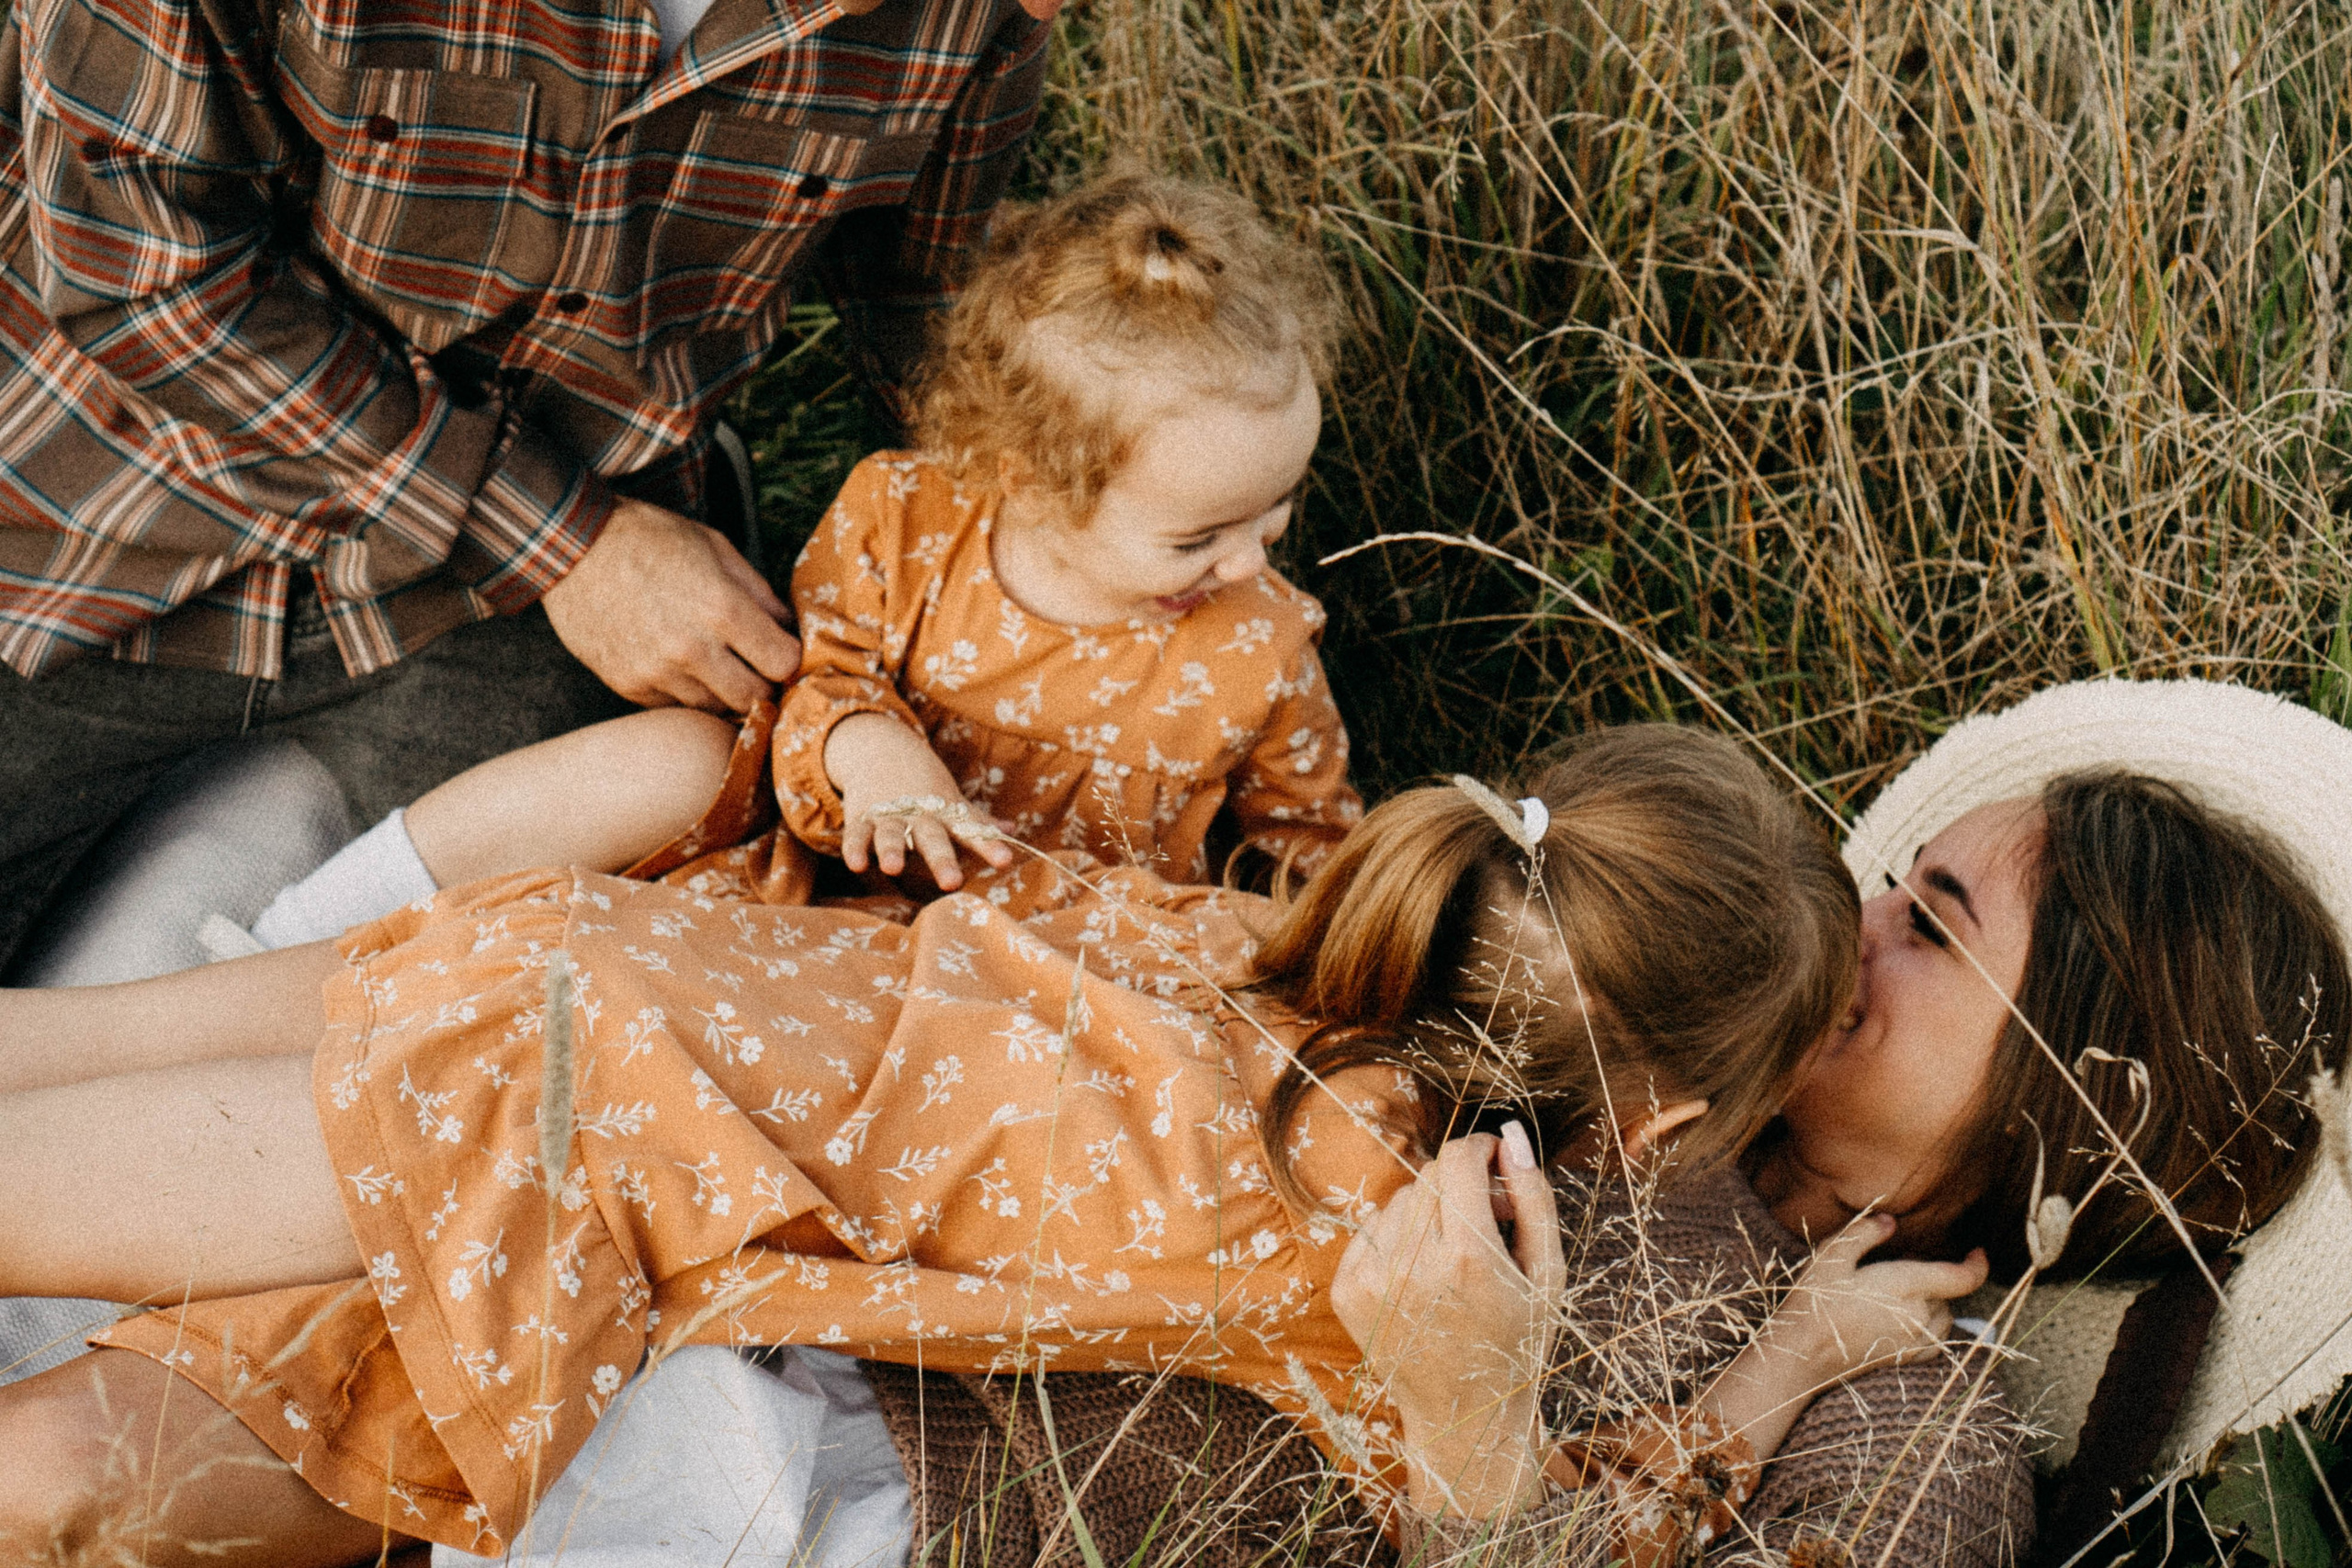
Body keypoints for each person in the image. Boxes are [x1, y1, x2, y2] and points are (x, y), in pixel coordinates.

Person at [0, 725, 1922, 1564]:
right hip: (575, 1138)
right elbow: (1542, 1526)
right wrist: (1785, 1366)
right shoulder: (1375, 1240)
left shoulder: (1239, 932)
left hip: (596, 953)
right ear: (1663, 1122)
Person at [0, 0, 1057, 976]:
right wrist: (570, 543)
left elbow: (925, 303)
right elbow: (139, 273)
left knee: (422, 994)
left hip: (497, 622)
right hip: (101, 509)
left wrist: (1072, 531)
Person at [234, 172, 1363, 955]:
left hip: (1053, 961)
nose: (1249, 561)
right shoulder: (909, 520)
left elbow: (1308, 849)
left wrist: (1314, 928)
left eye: (1274, 512)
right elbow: (821, 673)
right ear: (1024, 479)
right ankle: (317, 924)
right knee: (654, 780)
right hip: (818, 878)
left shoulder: (1259, 648)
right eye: (1197, 537)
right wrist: (870, 752)